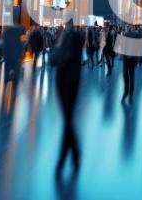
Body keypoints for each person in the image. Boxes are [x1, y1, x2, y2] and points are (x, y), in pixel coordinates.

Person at [52, 21, 83, 179]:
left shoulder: (66, 37)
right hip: (74, 80)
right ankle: (73, 153)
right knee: (68, 119)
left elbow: (56, 58)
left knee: (68, 120)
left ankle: (68, 156)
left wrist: (59, 43)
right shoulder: (79, 37)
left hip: (64, 81)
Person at [122, 25, 140, 102]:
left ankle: (127, 92)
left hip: (127, 58)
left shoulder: (126, 34)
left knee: (127, 76)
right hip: (132, 58)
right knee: (131, 76)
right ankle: (130, 94)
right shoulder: (136, 35)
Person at [3, 25, 25, 89]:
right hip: (16, 56)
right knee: (16, 71)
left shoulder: (6, 32)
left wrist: (4, 55)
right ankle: (15, 85)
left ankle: (6, 82)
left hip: (8, 56)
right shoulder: (20, 32)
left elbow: (4, 45)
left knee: (7, 71)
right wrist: (22, 55)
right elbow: (22, 44)